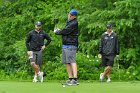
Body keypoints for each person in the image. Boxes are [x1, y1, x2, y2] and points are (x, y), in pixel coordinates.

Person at [54, 9, 79, 85]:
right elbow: (65, 30)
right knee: (67, 62)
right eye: (69, 14)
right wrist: (59, 30)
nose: (69, 16)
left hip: (71, 44)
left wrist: (57, 31)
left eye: (70, 15)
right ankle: (70, 78)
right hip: (65, 44)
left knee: (72, 61)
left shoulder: (74, 23)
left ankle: (75, 79)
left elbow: (66, 31)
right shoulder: (69, 22)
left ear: (74, 16)